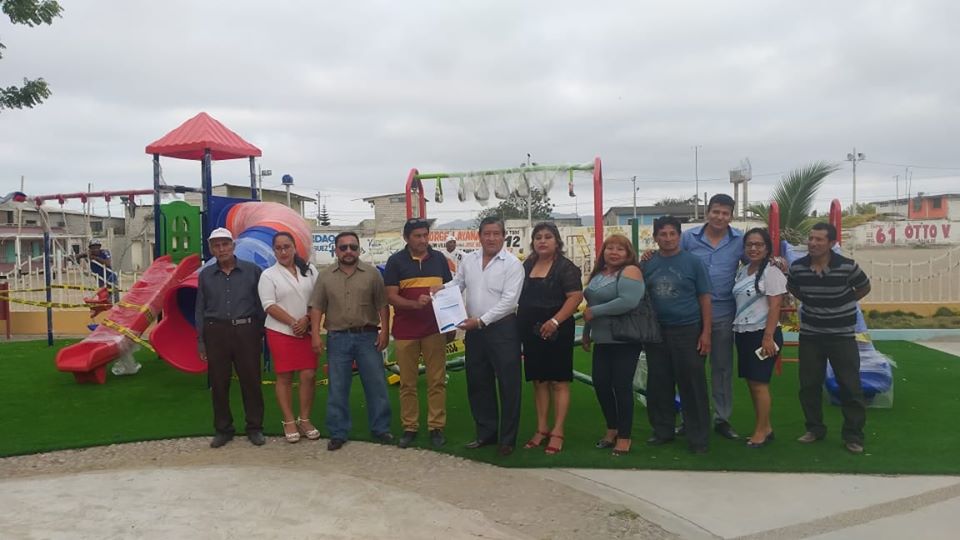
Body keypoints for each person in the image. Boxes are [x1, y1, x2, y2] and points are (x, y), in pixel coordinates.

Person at [436, 217, 524, 456]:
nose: (491, 238)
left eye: (496, 233)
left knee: (509, 385)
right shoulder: (470, 260)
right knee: (478, 382)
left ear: (503, 236)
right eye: (487, 233)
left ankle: (507, 439)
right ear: (480, 236)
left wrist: (481, 320)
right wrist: (440, 290)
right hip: (475, 331)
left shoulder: (513, 264)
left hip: (503, 330)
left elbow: (509, 302)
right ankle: (486, 433)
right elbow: (458, 283)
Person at [787, 222, 871, 454]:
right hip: (810, 336)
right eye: (811, 238)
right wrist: (812, 301)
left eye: (819, 239)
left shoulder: (847, 267)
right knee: (809, 385)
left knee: (850, 386)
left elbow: (864, 287)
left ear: (831, 243)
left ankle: (853, 435)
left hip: (841, 336)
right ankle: (815, 429)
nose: (812, 243)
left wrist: (843, 303)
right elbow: (793, 288)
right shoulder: (798, 267)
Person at [310, 231, 394, 451]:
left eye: (353, 247)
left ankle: (381, 428)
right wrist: (315, 334)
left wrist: (385, 331)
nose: (348, 251)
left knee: (376, 385)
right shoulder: (325, 276)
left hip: (368, 337)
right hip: (337, 338)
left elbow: (382, 305)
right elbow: (317, 306)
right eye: (343, 247)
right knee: (338, 387)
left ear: (359, 249)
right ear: (336, 250)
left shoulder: (372, 274)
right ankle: (338, 432)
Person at [643, 217, 713, 454]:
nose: (668, 238)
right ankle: (662, 431)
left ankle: (698, 437)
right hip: (656, 332)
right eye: (663, 234)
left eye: (672, 234)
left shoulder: (693, 262)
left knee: (692, 385)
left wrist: (706, 332)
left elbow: (705, 298)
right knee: (659, 384)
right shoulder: (648, 263)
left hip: (688, 330)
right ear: (655, 237)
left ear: (679, 236)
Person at [384, 218, 453, 449]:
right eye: (417, 236)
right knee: (408, 383)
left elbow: (449, 293)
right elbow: (390, 296)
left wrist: (450, 325)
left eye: (425, 235)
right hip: (406, 332)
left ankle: (436, 427)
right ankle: (410, 427)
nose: (423, 240)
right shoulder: (395, 261)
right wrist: (415, 304)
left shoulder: (440, 259)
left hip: (434, 329)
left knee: (437, 381)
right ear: (406, 238)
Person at [679, 193, 742, 440]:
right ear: (708, 212)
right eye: (716, 211)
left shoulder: (739, 240)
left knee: (722, 368)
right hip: (691, 314)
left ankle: (722, 418)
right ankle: (689, 418)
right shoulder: (689, 238)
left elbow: (757, 262)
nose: (720, 217)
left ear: (731, 216)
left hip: (724, 314)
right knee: (689, 369)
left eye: (725, 213)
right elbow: (673, 258)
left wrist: (777, 261)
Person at [196, 227, 266, 448]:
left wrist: (260, 332)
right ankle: (223, 429)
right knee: (219, 383)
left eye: (225, 244)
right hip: (216, 332)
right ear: (211, 249)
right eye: (216, 246)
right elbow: (200, 309)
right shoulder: (205, 275)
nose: (222, 249)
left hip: (246, 331)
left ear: (233, 246)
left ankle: (255, 427)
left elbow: (261, 304)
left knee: (251, 381)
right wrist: (201, 340)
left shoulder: (252, 271)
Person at [517, 222, 583, 455]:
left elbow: (575, 297)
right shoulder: (527, 265)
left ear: (557, 241)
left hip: (557, 330)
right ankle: (542, 428)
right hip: (531, 330)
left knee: (558, 381)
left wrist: (555, 321)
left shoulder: (566, 268)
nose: (542, 241)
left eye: (547, 237)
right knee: (539, 381)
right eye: (538, 237)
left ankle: (558, 431)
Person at [582, 234, 645, 456]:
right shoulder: (599, 274)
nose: (614, 252)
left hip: (624, 340)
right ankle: (612, 428)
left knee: (621, 386)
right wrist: (587, 332)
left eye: (620, 249)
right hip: (602, 340)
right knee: (600, 384)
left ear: (628, 253)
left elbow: (628, 302)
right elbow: (590, 305)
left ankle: (625, 436)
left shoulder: (630, 271)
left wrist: (595, 312)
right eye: (610, 248)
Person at [258, 232, 320, 444]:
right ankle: (289, 420)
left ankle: (305, 419)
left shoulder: (310, 270)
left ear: (294, 247)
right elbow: (268, 305)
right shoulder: (268, 275)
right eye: (278, 248)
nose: (283, 251)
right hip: (280, 331)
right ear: (274, 251)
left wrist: (307, 320)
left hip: (307, 330)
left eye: (287, 247)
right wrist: (294, 323)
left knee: (308, 375)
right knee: (284, 376)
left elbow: (318, 298)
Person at [732, 228, 786, 448]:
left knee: (760, 384)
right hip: (744, 333)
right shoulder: (743, 271)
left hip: (764, 333)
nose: (753, 248)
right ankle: (766, 427)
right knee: (752, 383)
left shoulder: (772, 272)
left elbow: (775, 305)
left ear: (767, 248)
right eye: (749, 245)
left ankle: (761, 432)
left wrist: (768, 337)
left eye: (759, 244)